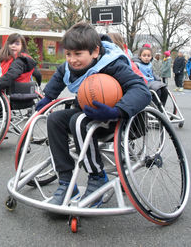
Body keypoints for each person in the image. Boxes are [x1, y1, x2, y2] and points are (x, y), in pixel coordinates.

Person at [35, 22, 151, 206]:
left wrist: (117, 110)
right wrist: (48, 96)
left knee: (78, 119)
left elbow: (142, 91)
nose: (72, 59)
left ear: (95, 52)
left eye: (78, 54)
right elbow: (60, 74)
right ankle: (66, 182)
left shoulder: (113, 64)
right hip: (87, 113)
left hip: (115, 117)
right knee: (55, 119)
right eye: (68, 54)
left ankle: (97, 178)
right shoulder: (71, 65)